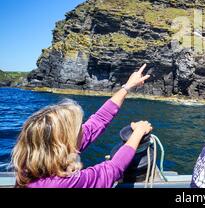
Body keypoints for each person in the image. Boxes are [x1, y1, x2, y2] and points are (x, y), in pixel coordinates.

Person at [12, 64, 152, 188]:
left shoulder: (28, 166)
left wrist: (127, 87)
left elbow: (98, 120)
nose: (84, 129)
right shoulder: (63, 183)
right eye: (78, 129)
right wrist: (138, 133)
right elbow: (113, 169)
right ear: (63, 144)